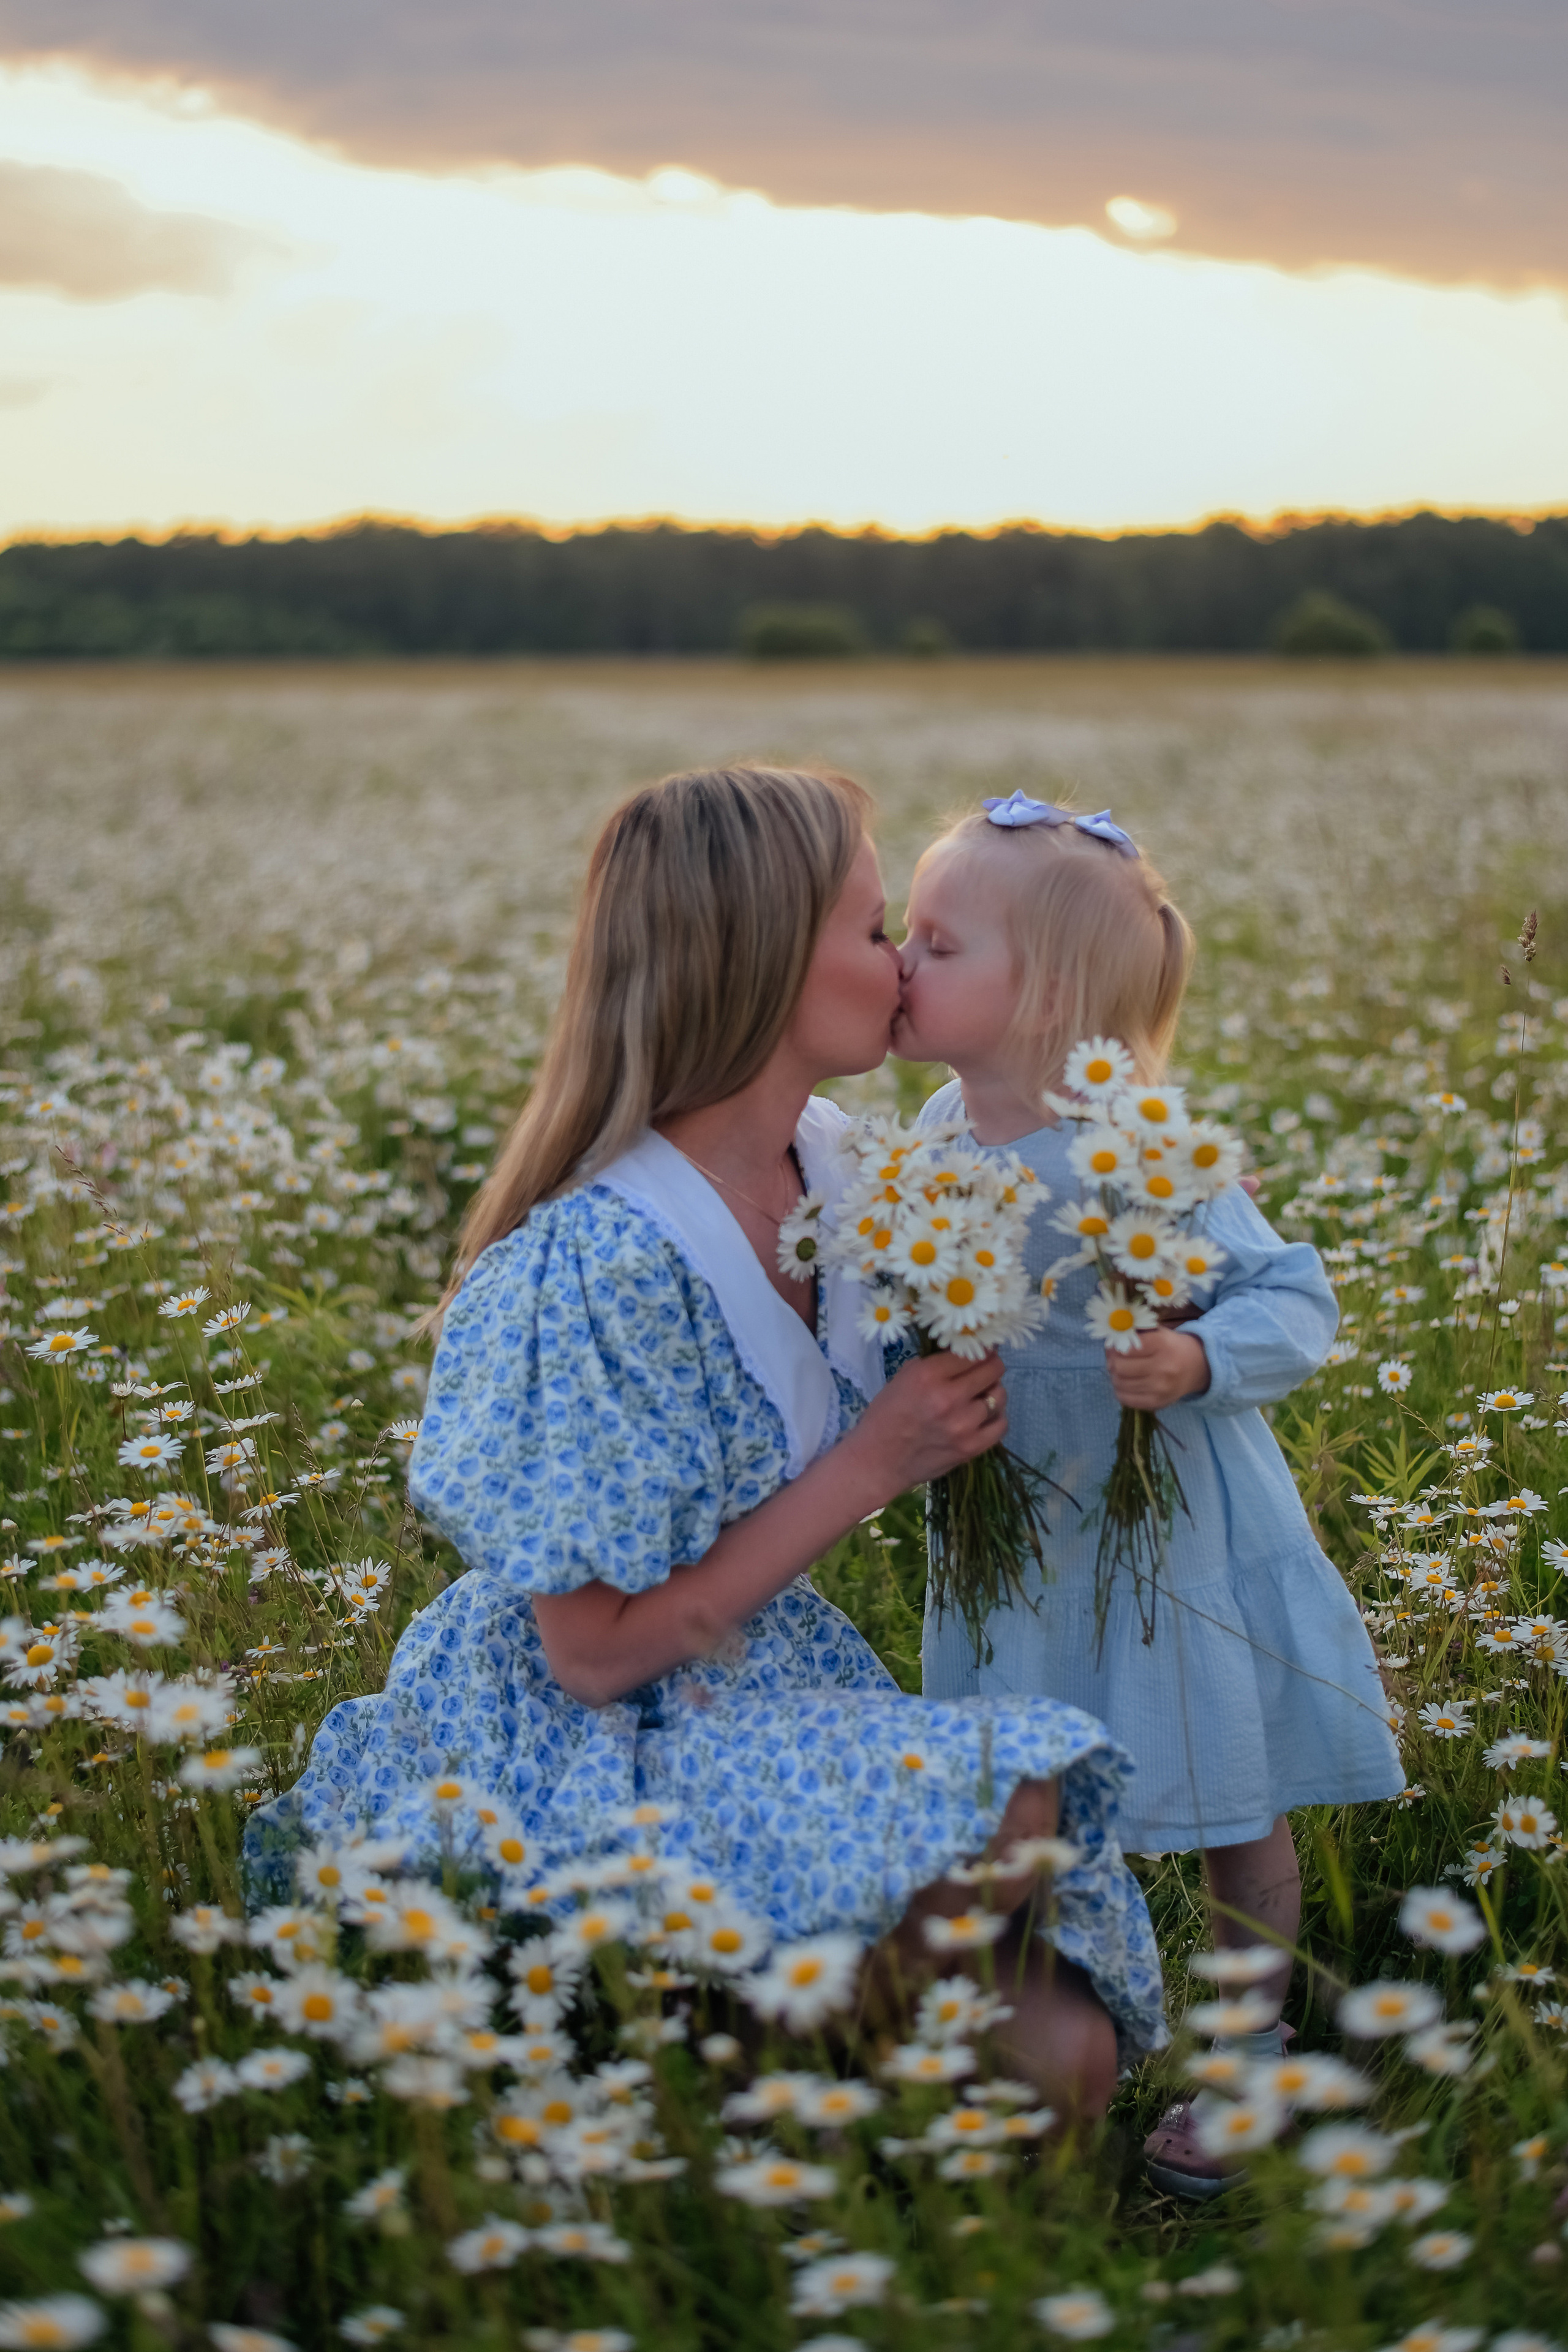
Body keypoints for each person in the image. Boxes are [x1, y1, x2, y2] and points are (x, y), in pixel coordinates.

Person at [246, 766, 1166, 2117]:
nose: (903, 961)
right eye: (870, 932)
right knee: (1019, 1796)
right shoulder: (597, 1265)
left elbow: (1045, 1221)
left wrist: (1168, 1202)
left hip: (768, 1690)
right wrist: (870, 1469)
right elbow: (592, 1652)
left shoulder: (843, 1166)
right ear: (757, 969)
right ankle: (695, 2069)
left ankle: (729, 2040)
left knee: (1066, 2065)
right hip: (578, 1744)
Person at [895, 791, 1403, 2192]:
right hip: (1016, 1542)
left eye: (936, 943)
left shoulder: (1146, 1144)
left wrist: (1194, 1355)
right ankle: (1044, 2031)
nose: (898, 962)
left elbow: (1295, 1298)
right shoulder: (934, 1133)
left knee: (1229, 1797)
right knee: (1022, 1797)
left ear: (1044, 992)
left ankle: (1247, 2055)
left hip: (1162, 1535)